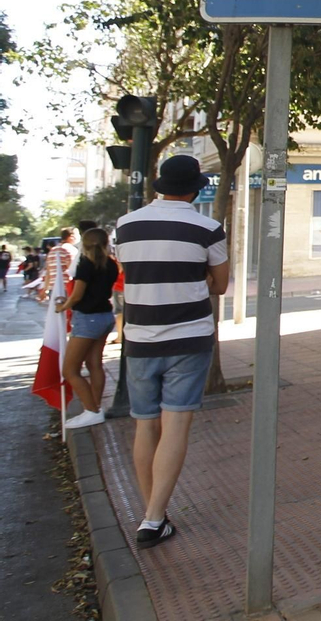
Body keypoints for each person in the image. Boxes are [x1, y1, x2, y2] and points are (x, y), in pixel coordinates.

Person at [115, 155, 229, 548]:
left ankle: (153, 515)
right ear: (195, 189)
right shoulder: (208, 227)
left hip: (140, 338)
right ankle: (152, 517)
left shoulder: (125, 226)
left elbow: (131, 271)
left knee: (145, 425)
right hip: (189, 337)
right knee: (176, 425)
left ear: (158, 185)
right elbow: (221, 284)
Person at [56, 228, 120, 428]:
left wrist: (63, 306)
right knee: (95, 364)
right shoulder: (111, 264)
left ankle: (91, 410)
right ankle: (95, 407)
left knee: (70, 369)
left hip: (88, 319)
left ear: (84, 243)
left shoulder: (86, 264)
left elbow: (77, 295)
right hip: (104, 316)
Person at [42, 229, 79, 305]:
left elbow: (48, 272)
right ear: (71, 237)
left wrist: (45, 289)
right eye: (78, 235)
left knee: (58, 313)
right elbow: (73, 271)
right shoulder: (71, 250)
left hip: (54, 288)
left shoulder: (52, 251)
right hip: (67, 288)